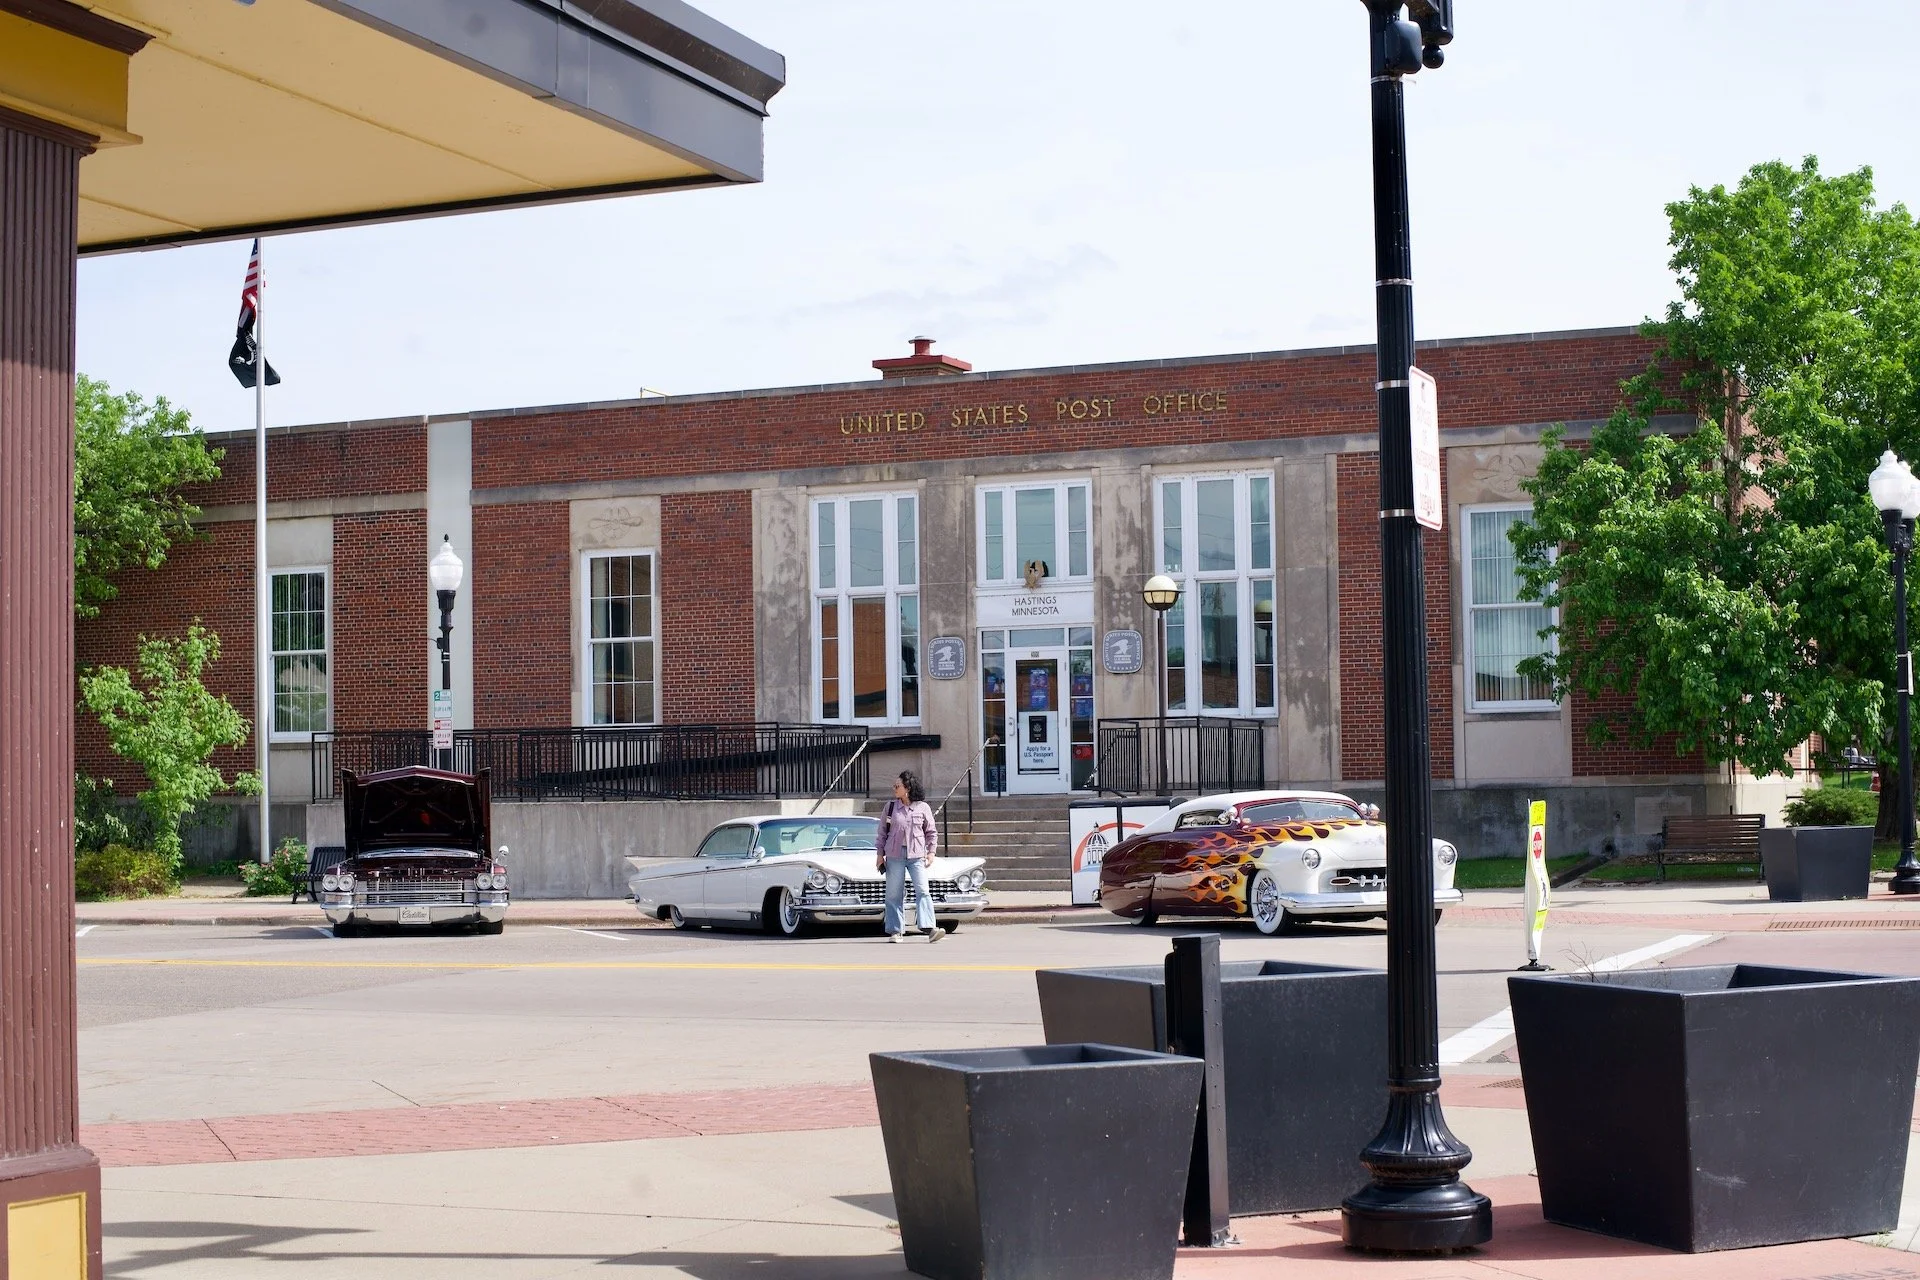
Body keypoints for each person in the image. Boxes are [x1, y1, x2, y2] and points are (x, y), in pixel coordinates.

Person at [876, 770, 943, 943]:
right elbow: (882, 833)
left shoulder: (922, 807)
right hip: (894, 855)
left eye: (897, 786)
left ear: (907, 788)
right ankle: (895, 930)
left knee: (923, 890)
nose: (894, 788)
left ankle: (929, 928)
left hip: (917, 856)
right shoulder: (890, 807)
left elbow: (931, 832)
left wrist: (931, 852)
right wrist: (880, 855)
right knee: (894, 893)